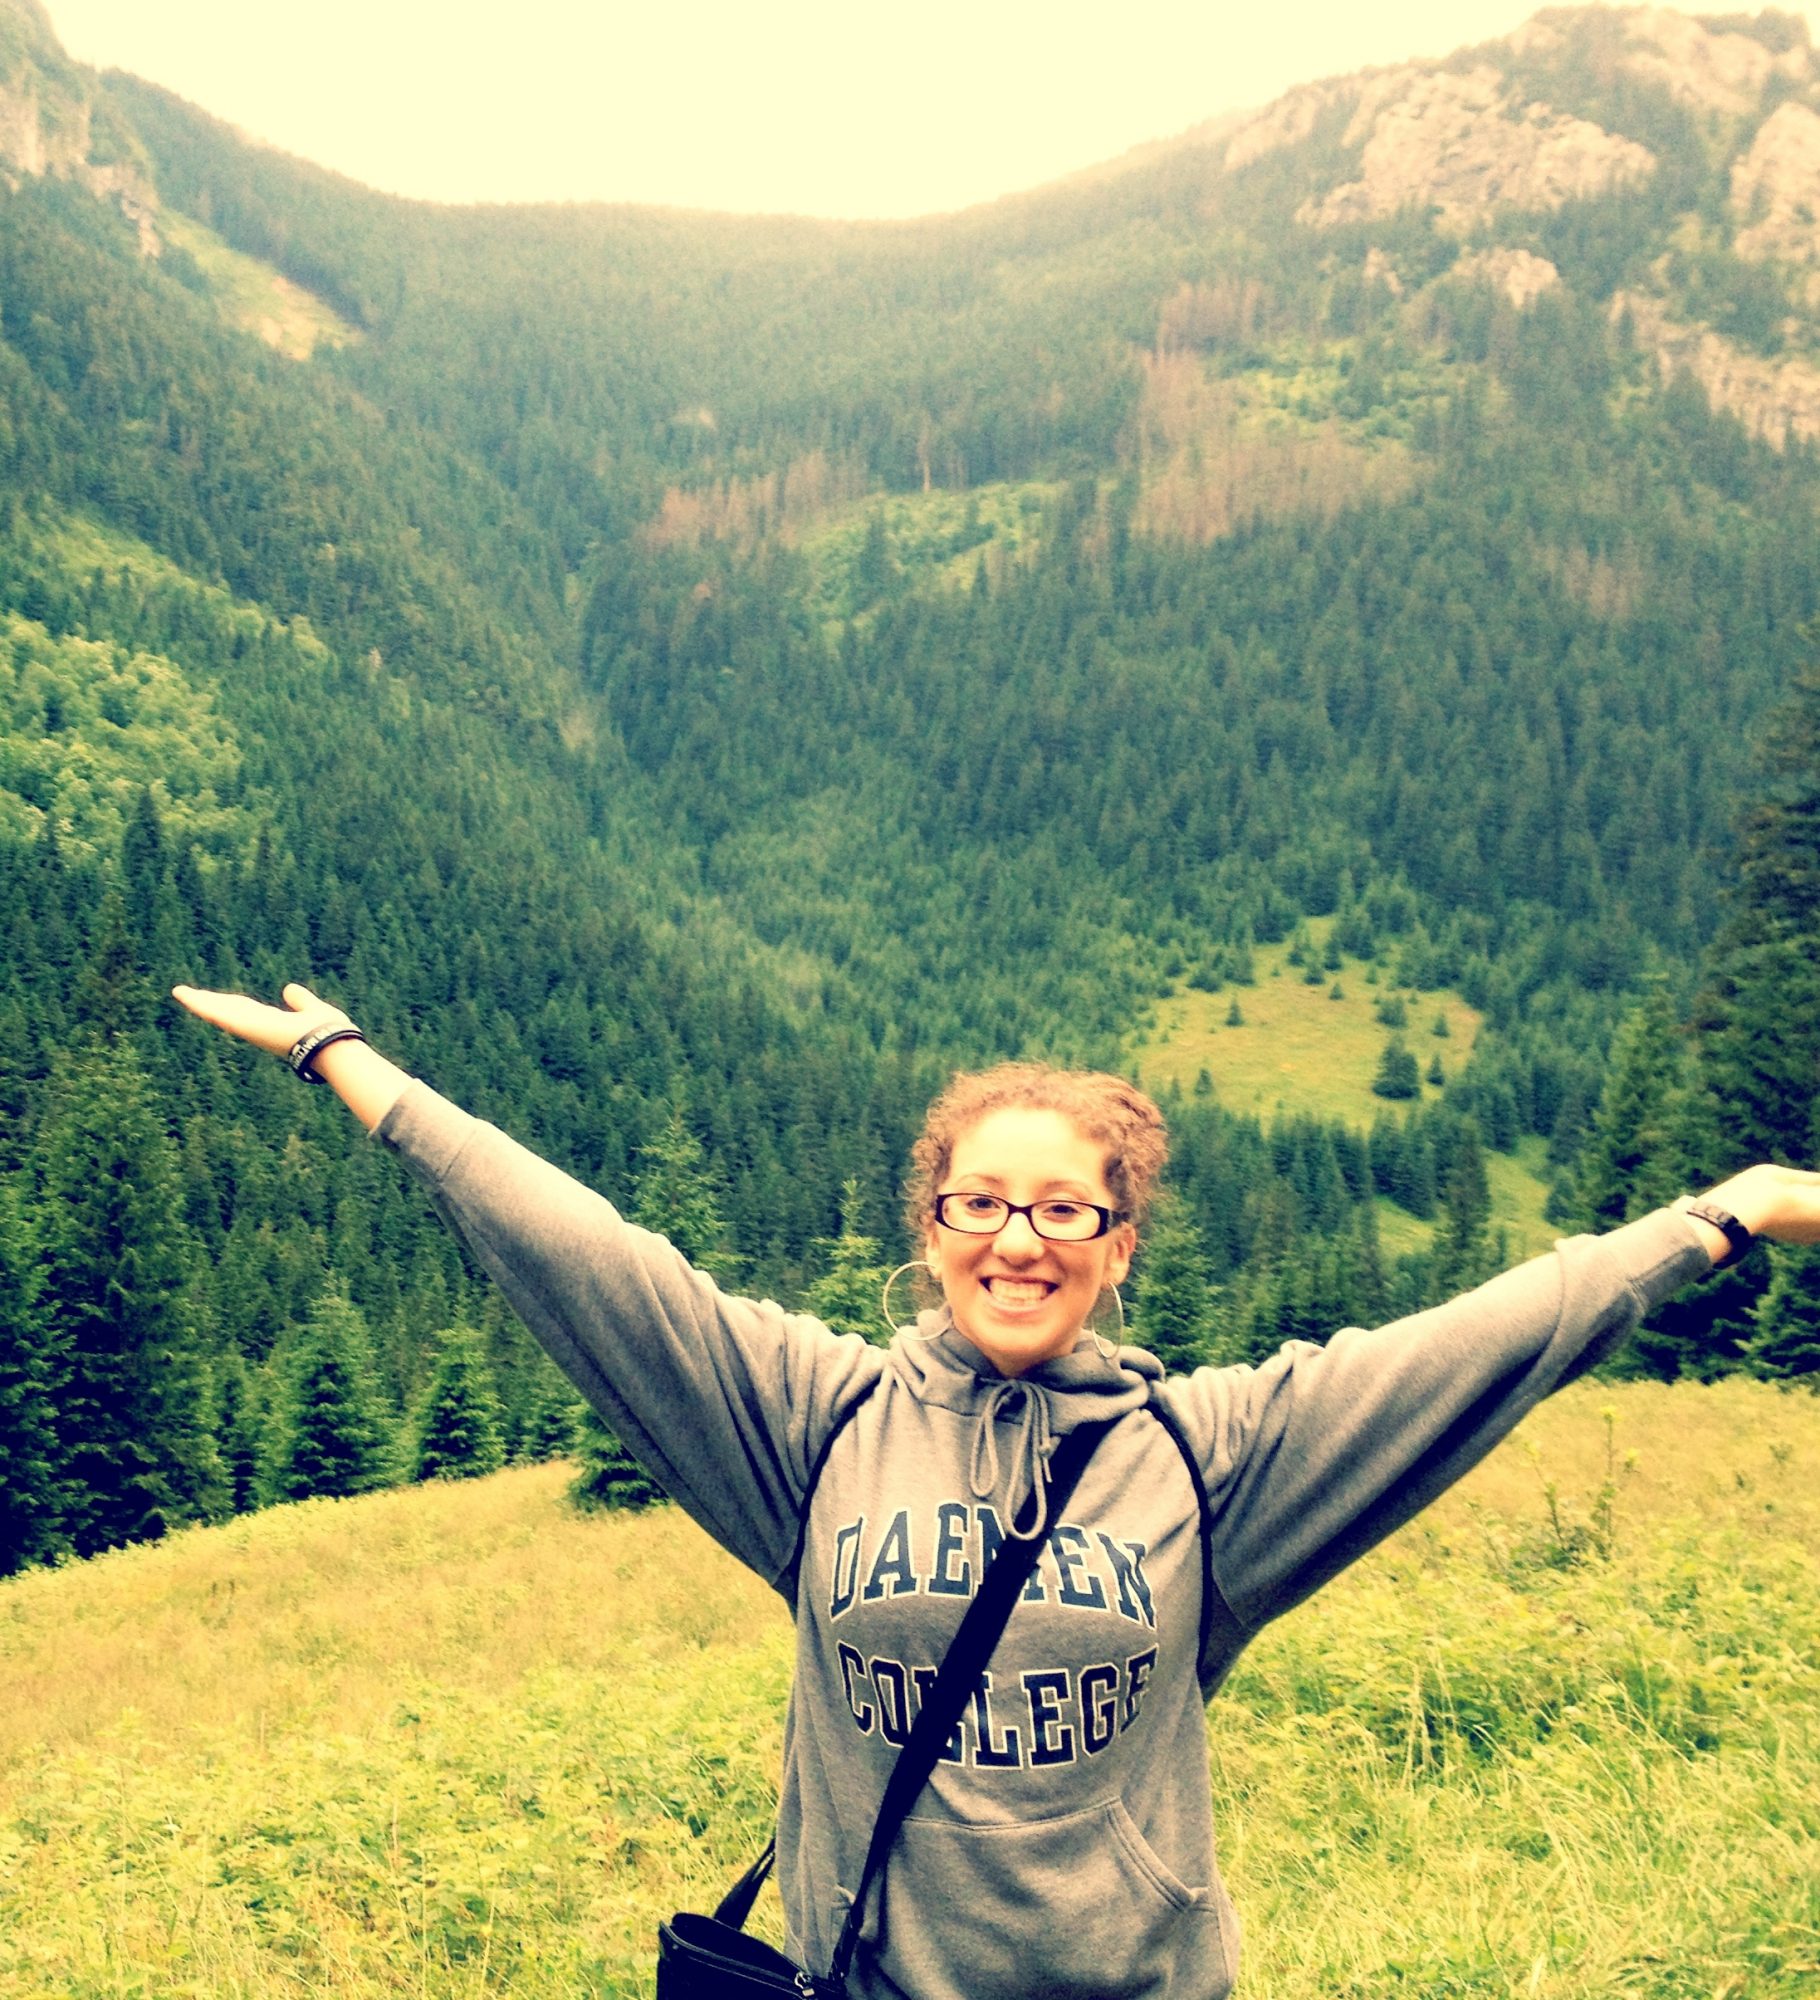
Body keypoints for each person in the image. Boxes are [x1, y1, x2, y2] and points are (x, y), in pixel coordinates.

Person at [171, 980, 1820, 2000]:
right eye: (981, 1202)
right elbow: (589, 1255)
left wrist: (1723, 1215)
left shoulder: (1214, 1455)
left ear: (1117, 1244)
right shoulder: (814, 1422)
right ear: (932, 1220)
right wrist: (348, 1065)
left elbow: (1479, 1344)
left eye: (1064, 1211)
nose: (1018, 1238)